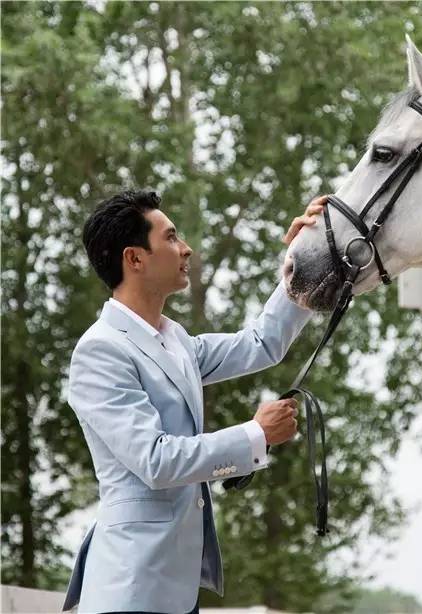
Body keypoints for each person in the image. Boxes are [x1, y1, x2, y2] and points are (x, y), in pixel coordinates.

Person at [62, 190, 326, 614]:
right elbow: (156, 461)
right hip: (129, 587)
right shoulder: (101, 351)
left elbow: (261, 343)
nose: (186, 249)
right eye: (170, 238)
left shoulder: (176, 340)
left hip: (176, 591)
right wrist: (255, 434)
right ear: (135, 259)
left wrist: (304, 260)